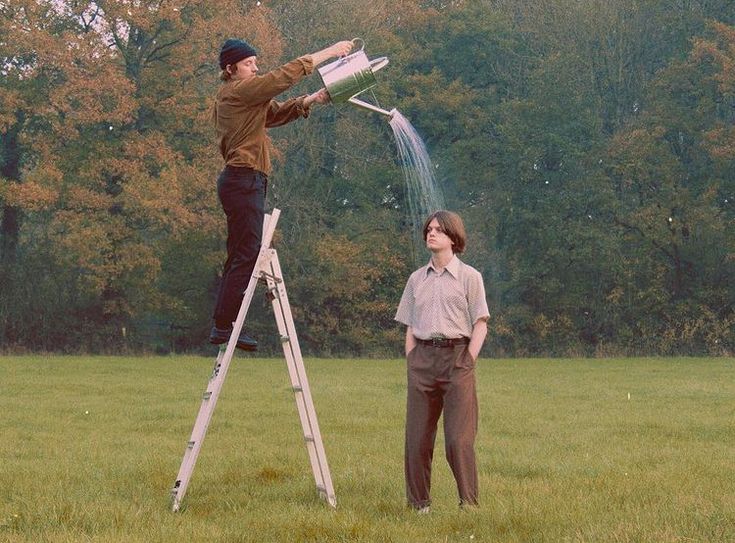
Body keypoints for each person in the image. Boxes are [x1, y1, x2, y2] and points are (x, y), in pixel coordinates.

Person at [209, 37, 353, 350]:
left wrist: (313, 99)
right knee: (246, 254)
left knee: (241, 253)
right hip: (244, 179)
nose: (255, 67)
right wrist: (330, 52)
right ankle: (224, 326)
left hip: (244, 180)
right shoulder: (240, 90)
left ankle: (223, 324)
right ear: (231, 69)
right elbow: (280, 78)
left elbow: (272, 115)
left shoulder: (242, 98)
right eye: (249, 64)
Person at [395, 210, 490, 513]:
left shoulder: (470, 277)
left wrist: (468, 359)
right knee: (417, 439)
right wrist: (412, 359)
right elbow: (409, 324)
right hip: (421, 359)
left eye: (438, 230)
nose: (431, 233)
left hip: (457, 358)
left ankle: (469, 504)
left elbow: (481, 322)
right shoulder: (415, 279)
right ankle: (419, 505)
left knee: (458, 440)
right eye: (429, 229)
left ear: (453, 237)